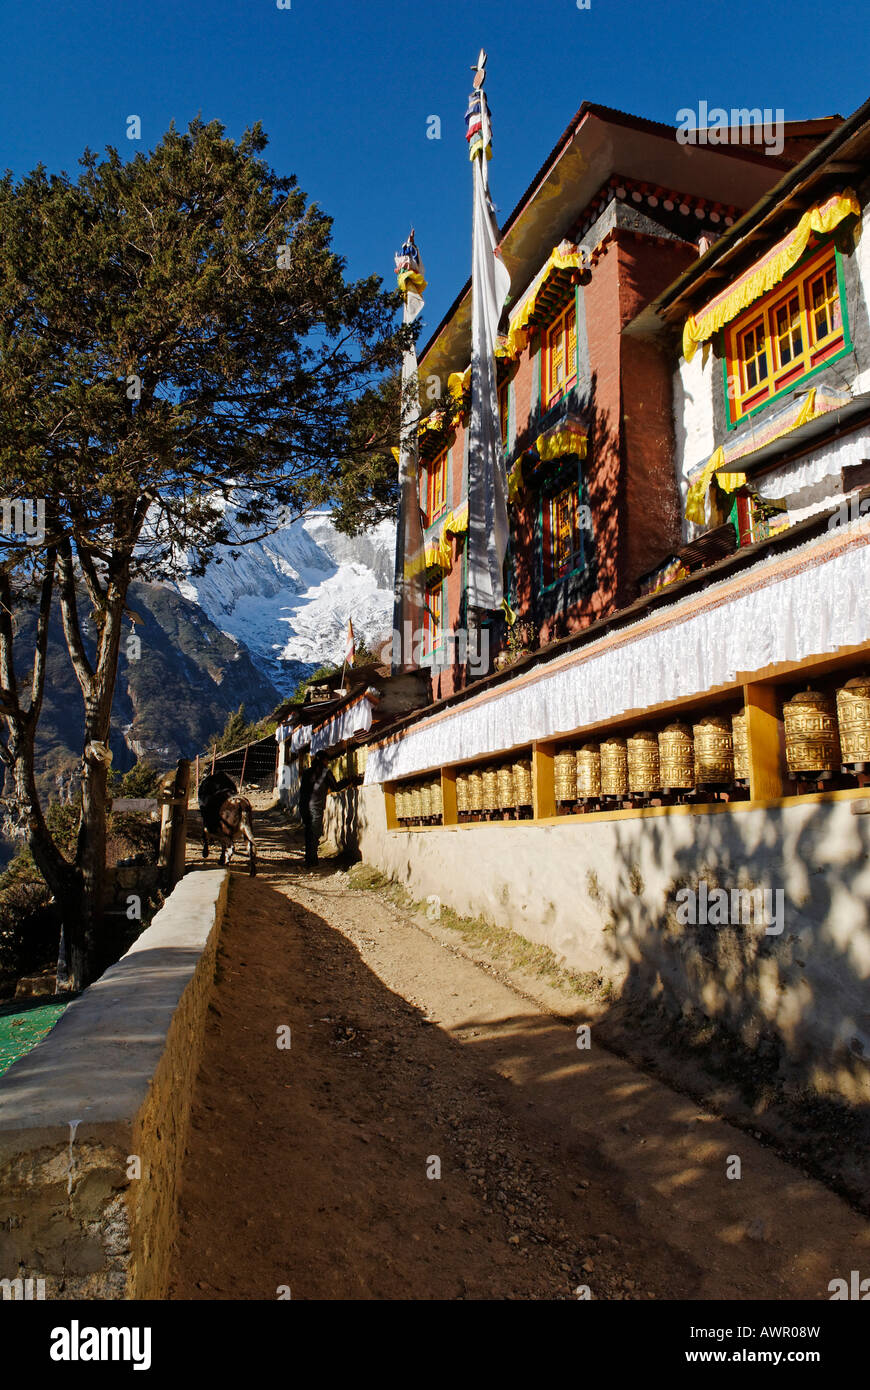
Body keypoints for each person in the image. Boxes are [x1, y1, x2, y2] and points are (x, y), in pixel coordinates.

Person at [298, 752, 342, 867]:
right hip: (315, 807)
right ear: (323, 761)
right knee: (315, 833)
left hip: (303, 806)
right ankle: (311, 861)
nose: (328, 763)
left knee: (308, 832)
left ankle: (309, 858)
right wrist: (349, 781)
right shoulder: (325, 772)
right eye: (327, 761)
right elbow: (335, 787)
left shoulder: (306, 772)